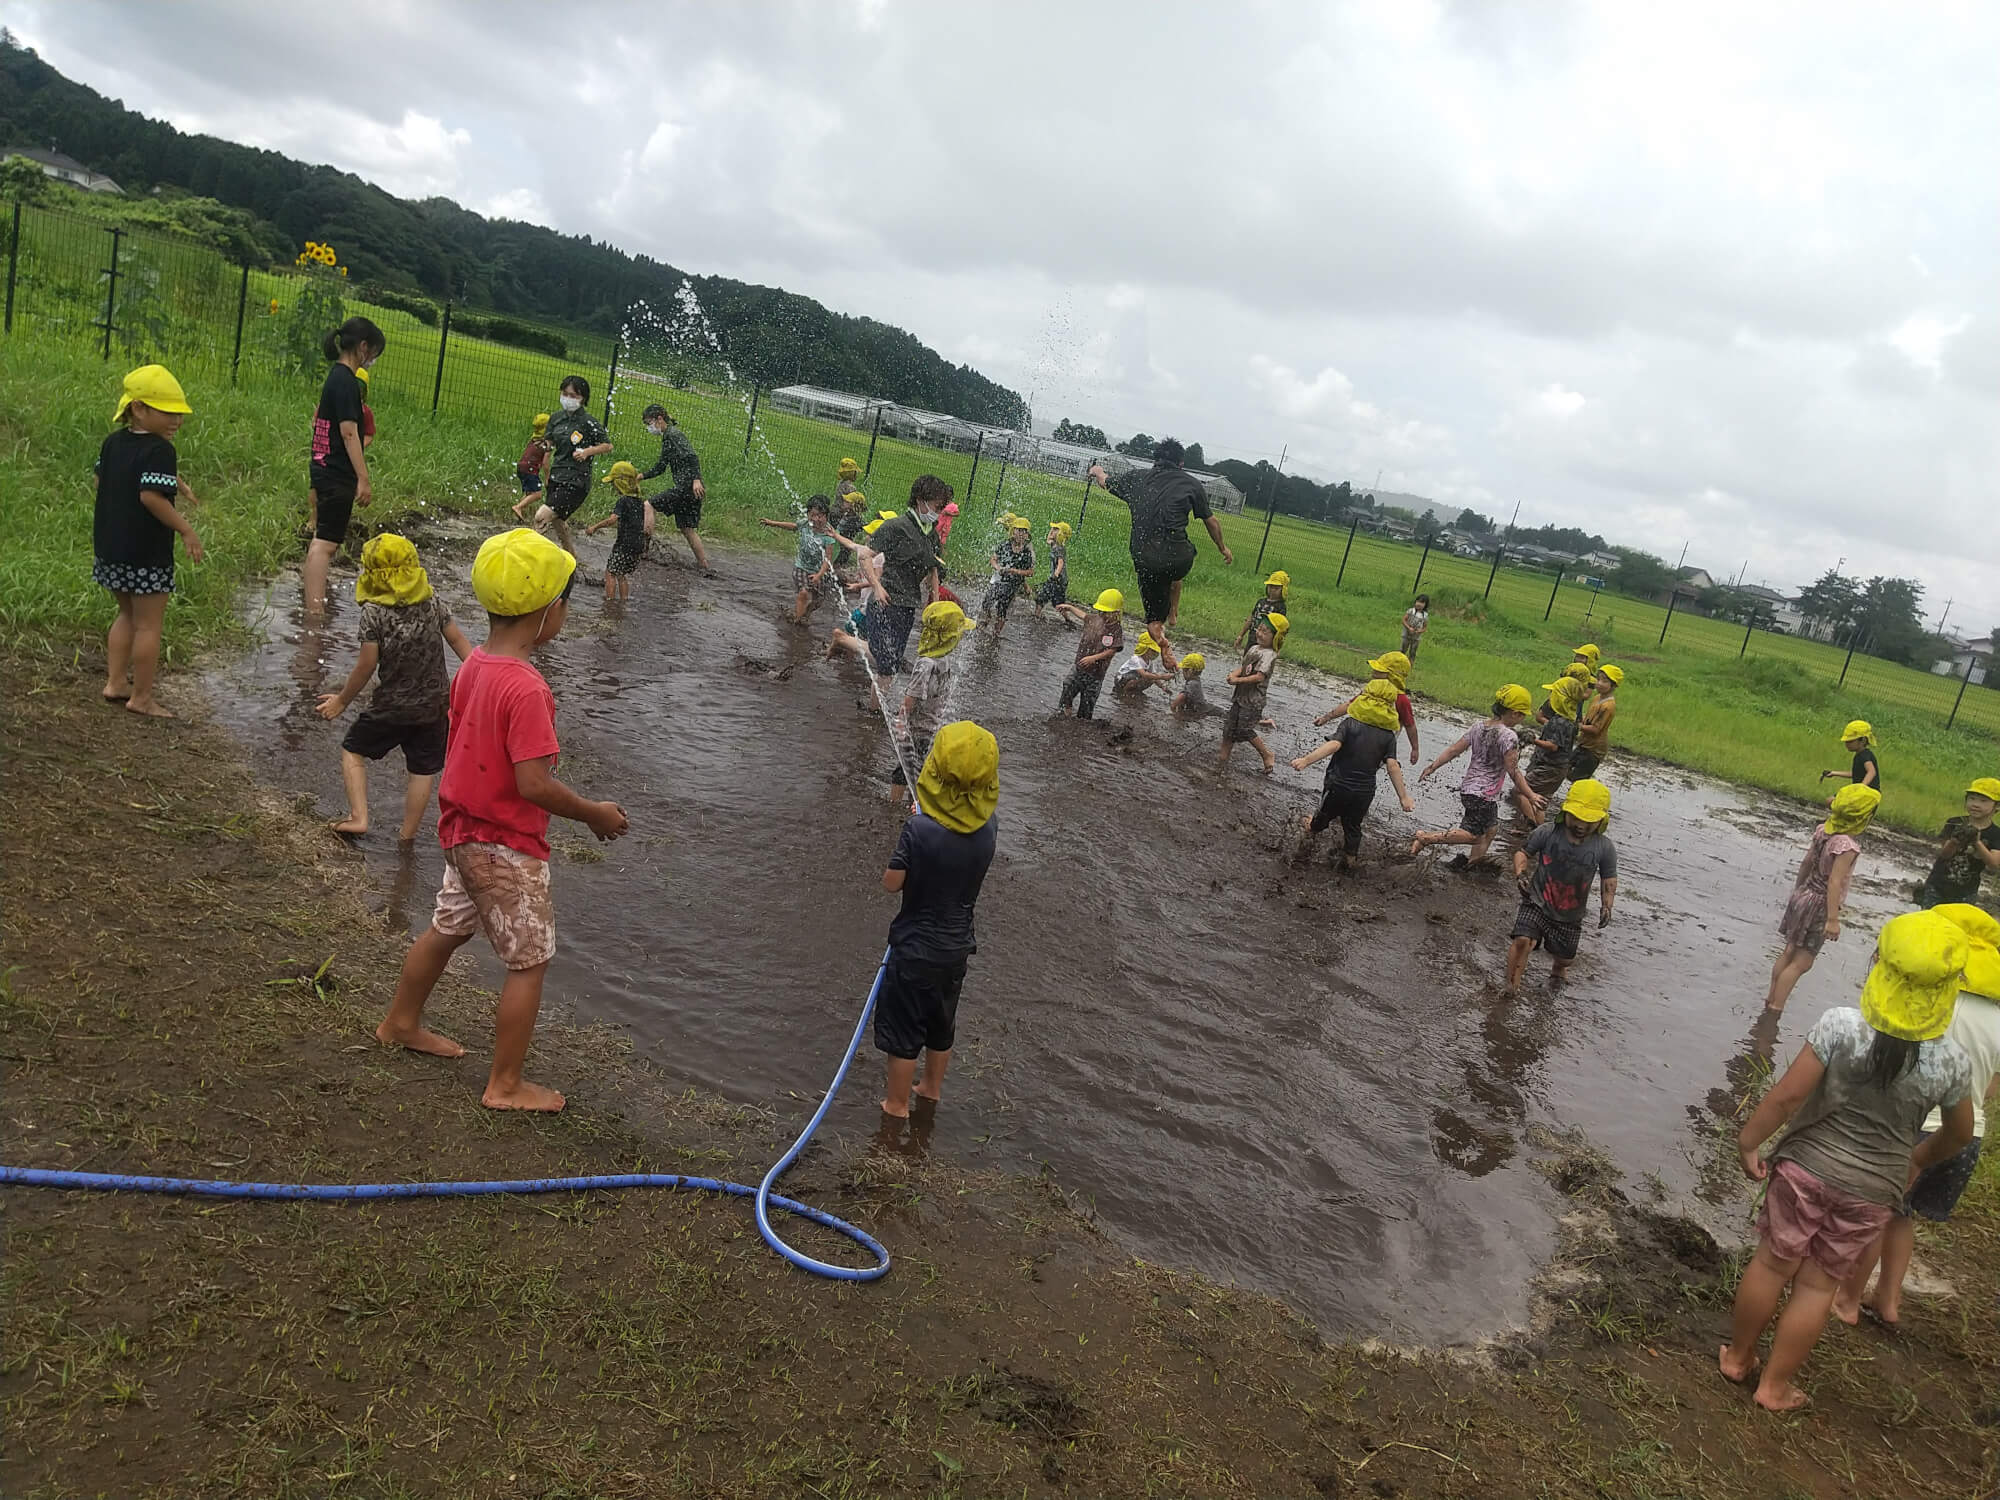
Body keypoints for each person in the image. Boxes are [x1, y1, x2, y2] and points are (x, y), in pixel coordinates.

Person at [374, 528, 629, 1112]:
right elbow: (532, 784)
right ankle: (506, 1084)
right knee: (530, 960)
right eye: (565, 602)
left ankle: (401, 1022)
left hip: (461, 834)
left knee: (447, 928)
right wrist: (593, 814)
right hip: (505, 848)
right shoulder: (529, 689)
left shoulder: (474, 667)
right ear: (548, 613)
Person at [1722, 909, 1973, 1412]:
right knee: (1818, 1286)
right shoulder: (1950, 1060)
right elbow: (1960, 1134)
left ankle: (1737, 1357)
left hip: (1803, 1169)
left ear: (1879, 965)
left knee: (1772, 1263)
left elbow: (1786, 1099)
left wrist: (1749, 1142)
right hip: (1873, 1191)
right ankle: (1773, 1387)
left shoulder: (1842, 1026)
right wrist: (1917, 1160)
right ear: (1949, 990)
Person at [1836, 902, 1999, 1330]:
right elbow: (1987, 1090)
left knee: (1879, 1212)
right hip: (1966, 1138)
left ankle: (1848, 1300)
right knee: (1903, 1217)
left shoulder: (1934, 1001)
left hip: (1918, 1130)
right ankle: (1888, 1301)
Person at [876, 720, 999, 1121]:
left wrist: (915, 830)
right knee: (941, 1024)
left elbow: (892, 884)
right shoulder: (989, 826)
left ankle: (896, 1106)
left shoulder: (918, 829)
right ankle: (931, 1089)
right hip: (957, 948)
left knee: (904, 1029)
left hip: (914, 950)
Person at [315, 534, 473, 840]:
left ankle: (359, 817)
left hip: (391, 706)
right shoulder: (432, 602)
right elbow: (459, 643)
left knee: (352, 749)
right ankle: (407, 835)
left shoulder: (374, 613)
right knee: (422, 769)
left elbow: (366, 665)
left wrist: (342, 701)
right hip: (434, 706)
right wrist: (479, 678)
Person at [94, 364, 204, 718]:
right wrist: (186, 529)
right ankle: (141, 698)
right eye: (168, 412)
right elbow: (151, 497)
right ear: (139, 408)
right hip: (145, 553)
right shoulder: (160, 450)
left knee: (126, 613)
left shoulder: (113, 442)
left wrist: (176, 482)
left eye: (179, 414)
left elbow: (105, 479)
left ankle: (115, 682)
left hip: (111, 547)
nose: (177, 421)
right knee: (148, 625)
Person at [1087, 439, 1232, 661]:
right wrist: (1223, 548)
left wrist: (1097, 471)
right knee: (1174, 569)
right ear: (1181, 463)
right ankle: (1173, 611)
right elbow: (1211, 521)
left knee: (1154, 621)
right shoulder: (1192, 484)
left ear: (1155, 460)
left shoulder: (1136, 478)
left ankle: (1164, 644)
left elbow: (1106, 482)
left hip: (1145, 559)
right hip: (1179, 559)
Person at [1765, 783, 1879, 1016]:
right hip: (1819, 904)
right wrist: (1832, 919)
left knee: (1788, 952)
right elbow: (1834, 882)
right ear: (1865, 817)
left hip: (1804, 894)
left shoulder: (1823, 831)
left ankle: (1770, 999)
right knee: (1802, 962)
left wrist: (1798, 891)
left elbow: (1806, 862)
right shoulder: (1847, 846)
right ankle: (1775, 1010)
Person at [1290, 678, 1415, 868]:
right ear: (1390, 707)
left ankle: (1302, 852)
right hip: (1364, 793)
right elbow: (1393, 766)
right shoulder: (1388, 736)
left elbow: (1334, 745)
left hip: (1338, 785)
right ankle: (1350, 864)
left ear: (1364, 699)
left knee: (1320, 819)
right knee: (1353, 827)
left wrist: (1306, 760)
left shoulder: (1350, 724)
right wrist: (1403, 797)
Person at [1410, 685, 1544, 861]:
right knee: (1473, 835)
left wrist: (1432, 766)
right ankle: (1426, 838)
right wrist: (1531, 795)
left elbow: (1454, 750)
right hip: (1484, 795)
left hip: (1470, 789)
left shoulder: (1478, 727)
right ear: (1514, 713)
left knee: (1491, 830)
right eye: (1522, 715)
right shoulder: (1509, 736)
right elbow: (1514, 771)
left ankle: (1473, 864)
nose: (1522, 719)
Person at [1506, 778, 1618, 988]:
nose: (1580, 825)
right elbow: (1523, 852)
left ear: (1601, 821)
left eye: (1589, 820)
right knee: (1522, 940)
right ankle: (1511, 989)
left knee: (1565, 957)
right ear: (1565, 812)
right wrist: (1520, 874)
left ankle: (1559, 968)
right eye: (1575, 817)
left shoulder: (1604, 848)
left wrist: (1607, 906)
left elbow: (1609, 879)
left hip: (1570, 914)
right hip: (1536, 901)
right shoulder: (1547, 832)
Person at [305, 316, 384, 611]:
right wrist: (363, 478)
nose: (372, 360)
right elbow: (350, 432)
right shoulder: (348, 383)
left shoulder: (335, 377)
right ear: (363, 347)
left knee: (322, 540)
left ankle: (311, 605)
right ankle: (315, 613)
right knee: (325, 544)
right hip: (335, 472)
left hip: (322, 466)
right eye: (373, 353)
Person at [859, 477, 949, 675]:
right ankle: (844, 641)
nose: (938, 512)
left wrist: (935, 604)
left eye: (941, 508)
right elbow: (864, 555)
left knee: (892, 664)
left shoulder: (931, 535)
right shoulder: (896, 526)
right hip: (884, 602)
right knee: (885, 660)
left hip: (908, 606)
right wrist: (877, 587)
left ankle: (876, 706)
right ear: (920, 500)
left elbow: (933, 570)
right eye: (937, 506)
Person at [891, 600, 976, 788]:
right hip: (918, 729)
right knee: (905, 770)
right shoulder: (926, 665)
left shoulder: (944, 659)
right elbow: (910, 696)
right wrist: (900, 723)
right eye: (958, 634)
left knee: (921, 770)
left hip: (931, 727)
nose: (961, 637)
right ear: (948, 637)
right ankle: (893, 805)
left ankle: (912, 804)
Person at [535, 376, 612, 554]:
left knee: (541, 517)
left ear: (583, 398)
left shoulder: (588, 422)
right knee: (557, 521)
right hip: (556, 477)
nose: (568, 399)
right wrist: (543, 445)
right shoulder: (556, 418)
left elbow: (607, 446)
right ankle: (572, 558)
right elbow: (550, 444)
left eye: (573, 396)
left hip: (576, 481)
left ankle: (531, 558)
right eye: (565, 394)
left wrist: (586, 452)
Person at [637, 403, 710, 575]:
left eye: (649, 423)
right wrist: (641, 476)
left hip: (687, 487)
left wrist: (696, 479)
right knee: (686, 528)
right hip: (689, 489)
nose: (649, 428)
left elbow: (692, 456)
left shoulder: (673, 435)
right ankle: (705, 566)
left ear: (659, 419)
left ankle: (643, 551)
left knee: (648, 505)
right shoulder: (668, 437)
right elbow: (661, 467)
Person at [1313, 652, 1419, 764]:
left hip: (1378, 745)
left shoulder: (1400, 700)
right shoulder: (1371, 690)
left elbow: (1410, 725)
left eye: (1378, 671)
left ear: (1392, 676)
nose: (1373, 673)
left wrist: (1415, 748)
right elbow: (1350, 705)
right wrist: (1326, 717)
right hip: (1364, 739)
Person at [760, 496, 849, 625]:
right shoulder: (805, 524)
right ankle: (795, 622)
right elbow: (793, 526)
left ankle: (804, 615)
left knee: (818, 601)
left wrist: (819, 575)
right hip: (801, 567)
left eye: (820, 516)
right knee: (804, 592)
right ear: (808, 514)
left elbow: (827, 560)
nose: (816, 519)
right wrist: (772, 523)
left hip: (819, 571)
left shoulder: (828, 534)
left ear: (826, 516)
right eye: (812, 515)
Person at [1914, 777, 2000, 907]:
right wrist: (1955, 840)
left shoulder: (1996, 833)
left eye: (1983, 801)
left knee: (1956, 925)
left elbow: (1993, 865)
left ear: (1997, 806)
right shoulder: (1954, 822)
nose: (1976, 804)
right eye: (1972, 799)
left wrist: (1977, 842)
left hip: (1966, 892)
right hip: (1937, 885)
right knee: (1929, 921)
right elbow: (1944, 855)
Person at [1219, 614, 1284, 776]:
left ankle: (1267, 754)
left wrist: (1238, 680)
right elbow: (1244, 667)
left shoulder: (1269, 655)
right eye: (1259, 629)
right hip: (1240, 697)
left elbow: (1259, 677)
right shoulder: (1254, 648)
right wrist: (1233, 674)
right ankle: (1222, 759)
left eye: (1265, 631)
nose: (1259, 633)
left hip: (1253, 701)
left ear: (1275, 637)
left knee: (1244, 730)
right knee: (1229, 728)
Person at [1053, 589, 1125, 720]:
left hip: (1095, 675)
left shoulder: (1116, 630)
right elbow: (1084, 616)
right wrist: (1069, 608)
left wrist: (1093, 658)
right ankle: (1064, 713)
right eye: (1100, 611)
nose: (1102, 614)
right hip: (1079, 667)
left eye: (1106, 612)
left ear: (1116, 613)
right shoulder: (1095, 619)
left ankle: (1081, 724)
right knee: (1068, 686)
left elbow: (1112, 650)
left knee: (1087, 705)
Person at [583, 461, 649, 602]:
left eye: (613, 483)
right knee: (621, 574)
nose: (613, 486)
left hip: (624, 545)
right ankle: (623, 602)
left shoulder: (623, 501)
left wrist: (594, 527)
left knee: (610, 573)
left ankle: (609, 603)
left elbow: (612, 520)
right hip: (638, 545)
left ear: (621, 483)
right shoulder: (639, 502)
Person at [1520, 687, 1581, 816]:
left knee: (1521, 790)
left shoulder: (1559, 721)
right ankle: (1534, 829)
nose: (1550, 696)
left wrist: (1533, 740)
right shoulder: (1571, 719)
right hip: (1559, 769)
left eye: (1553, 694)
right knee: (1541, 800)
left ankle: (1531, 823)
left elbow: (1553, 746)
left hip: (1550, 767)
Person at [978, 515, 1035, 634]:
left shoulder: (1026, 552)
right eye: (1019, 530)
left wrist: (1015, 571)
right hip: (1000, 579)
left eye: (1024, 531)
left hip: (1013, 584)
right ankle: (986, 620)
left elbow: (1030, 572)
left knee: (1002, 607)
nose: (1021, 534)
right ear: (1012, 531)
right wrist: (997, 567)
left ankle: (996, 632)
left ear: (1027, 535)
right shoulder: (1005, 545)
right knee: (987, 601)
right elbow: (993, 559)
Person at [1566, 664, 1621, 782]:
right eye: (1599, 679)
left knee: (1579, 779)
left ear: (1614, 685)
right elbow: (1589, 717)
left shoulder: (1608, 706)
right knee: (1565, 767)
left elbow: (1596, 729)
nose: (1599, 683)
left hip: (1594, 749)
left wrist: (1579, 726)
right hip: (1584, 743)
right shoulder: (1597, 697)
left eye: (1604, 681)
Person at [1818, 720, 1881, 796]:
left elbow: (1871, 772)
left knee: (1831, 801)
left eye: (1850, 741)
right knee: (1831, 801)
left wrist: (1861, 787)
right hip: (1863, 793)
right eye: (1846, 741)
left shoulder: (1864, 755)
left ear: (1863, 740)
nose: (1847, 744)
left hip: (1867, 795)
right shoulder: (1860, 755)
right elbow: (1856, 774)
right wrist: (1834, 773)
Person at [509, 413, 551, 521]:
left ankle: (519, 512)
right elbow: (545, 463)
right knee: (537, 494)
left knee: (530, 493)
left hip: (521, 467)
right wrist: (547, 478)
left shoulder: (534, 439)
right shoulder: (546, 444)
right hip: (530, 469)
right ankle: (518, 507)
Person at [1234, 570, 1290, 650]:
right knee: (1248, 658)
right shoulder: (1261, 602)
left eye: (1276, 588)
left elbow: (1280, 629)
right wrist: (1241, 635)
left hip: (1266, 643)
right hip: (1253, 637)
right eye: (1270, 586)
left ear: (1283, 590)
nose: (1272, 590)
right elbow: (1251, 618)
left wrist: (1277, 647)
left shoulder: (1280, 607)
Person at [1111, 633, 1172, 700]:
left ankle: (1134, 692)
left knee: (1152, 678)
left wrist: (1163, 687)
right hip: (1121, 680)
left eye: (1156, 652)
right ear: (1144, 648)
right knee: (1145, 677)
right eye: (1153, 651)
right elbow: (1144, 674)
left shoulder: (1150, 662)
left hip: (1135, 679)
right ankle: (1124, 693)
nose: (1155, 654)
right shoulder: (1135, 659)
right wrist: (1163, 677)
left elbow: (1155, 676)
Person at [1032, 520, 1071, 613]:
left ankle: (1067, 618)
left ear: (1061, 534)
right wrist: (1052, 531)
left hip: (1059, 580)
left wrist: (1056, 574)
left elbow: (1060, 563)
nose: (1052, 531)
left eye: (1056, 529)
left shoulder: (1059, 548)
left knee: (1056, 602)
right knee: (1044, 597)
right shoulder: (1054, 544)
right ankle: (1037, 615)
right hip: (1056, 580)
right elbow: (1048, 540)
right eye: (1052, 529)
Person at [1169, 650, 1221, 719]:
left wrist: (1173, 710)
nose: (1182, 672)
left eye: (1184, 670)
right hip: (1205, 708)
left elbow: (1179, 699)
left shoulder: (1192, 684)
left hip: (1204, 711)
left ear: (1190, 671)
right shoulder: (1196, 681)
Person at [1401, 594, 1430, 661]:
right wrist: (1409, 628)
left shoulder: (1425, 615)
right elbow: (1403, 620)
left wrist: (1419, 631)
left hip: (1416, 638)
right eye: (1418, 601)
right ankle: (1400, 664)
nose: (1419, 604)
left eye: (1422, 603)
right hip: (1406, 635)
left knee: (1412, 652)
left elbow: (1425, 627)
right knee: (1403, 650)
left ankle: (1410, 666)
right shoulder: (1411, 611)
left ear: (1425, 605)